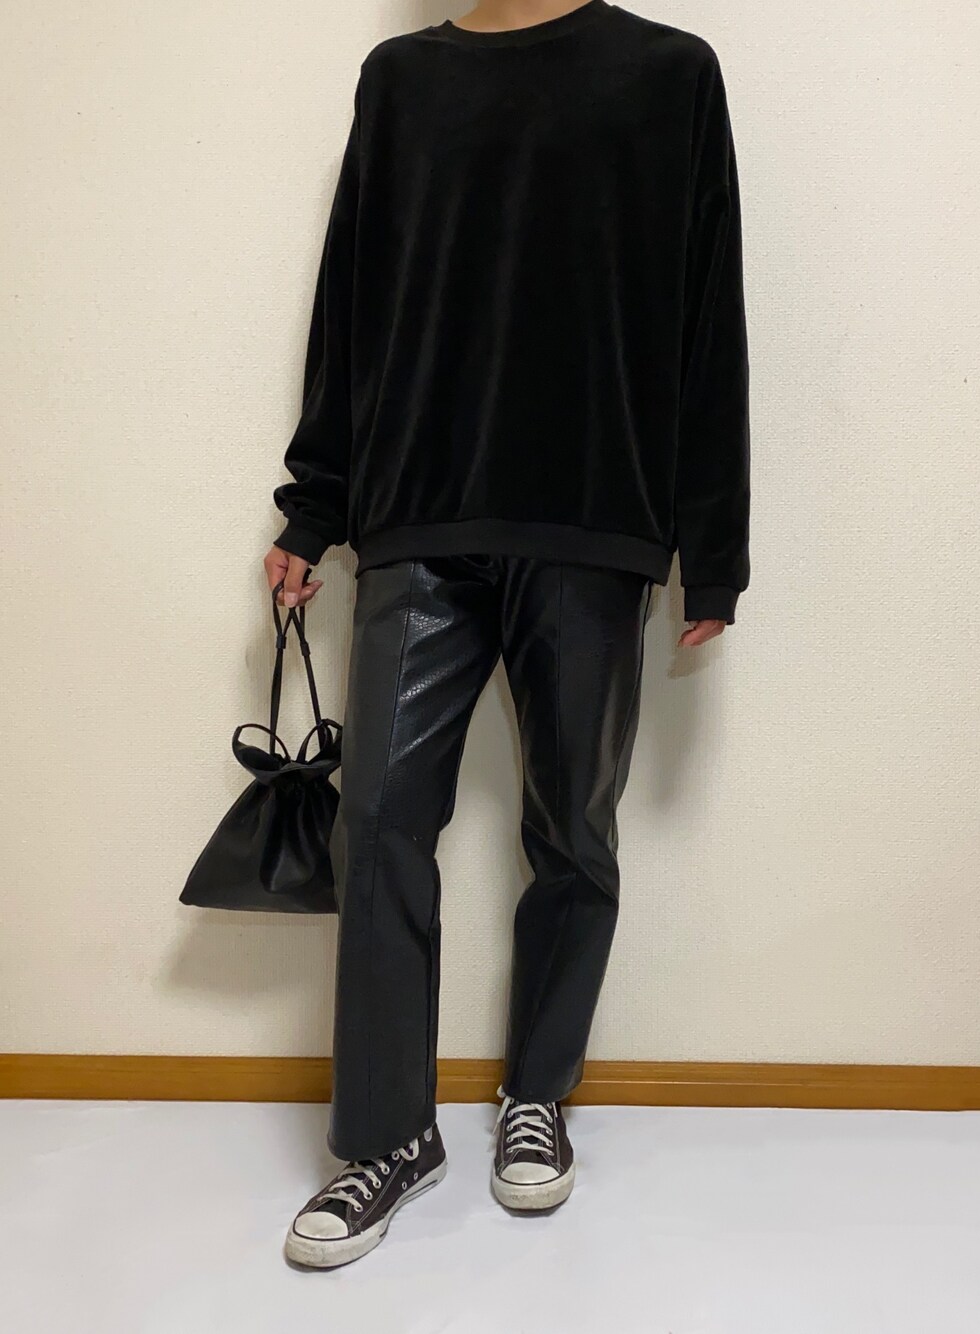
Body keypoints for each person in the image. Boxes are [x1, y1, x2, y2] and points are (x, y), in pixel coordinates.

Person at [264, 0, 750, 1270]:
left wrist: (714, 542)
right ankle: (387, 1134)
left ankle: (537, 1090)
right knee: (380, 818)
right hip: (421, 506)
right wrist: (314, 504)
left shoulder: (669, 73)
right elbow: (351, 303)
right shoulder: (401, 79)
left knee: (572, 827)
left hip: (596, 513)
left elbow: (708, 311)